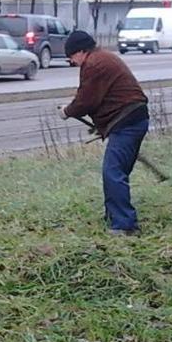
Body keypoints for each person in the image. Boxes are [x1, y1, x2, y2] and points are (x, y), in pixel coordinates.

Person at [60, 29, 150, 235]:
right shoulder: (104, 58)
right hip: (133, 119)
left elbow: (86, 100)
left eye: (71, 57)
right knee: (117, 172)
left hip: (127, 122)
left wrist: (67, 111)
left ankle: (125, 225)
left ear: (81, 51)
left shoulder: (93, 64)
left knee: (113, 172)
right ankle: (114, 216)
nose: (72, 62)